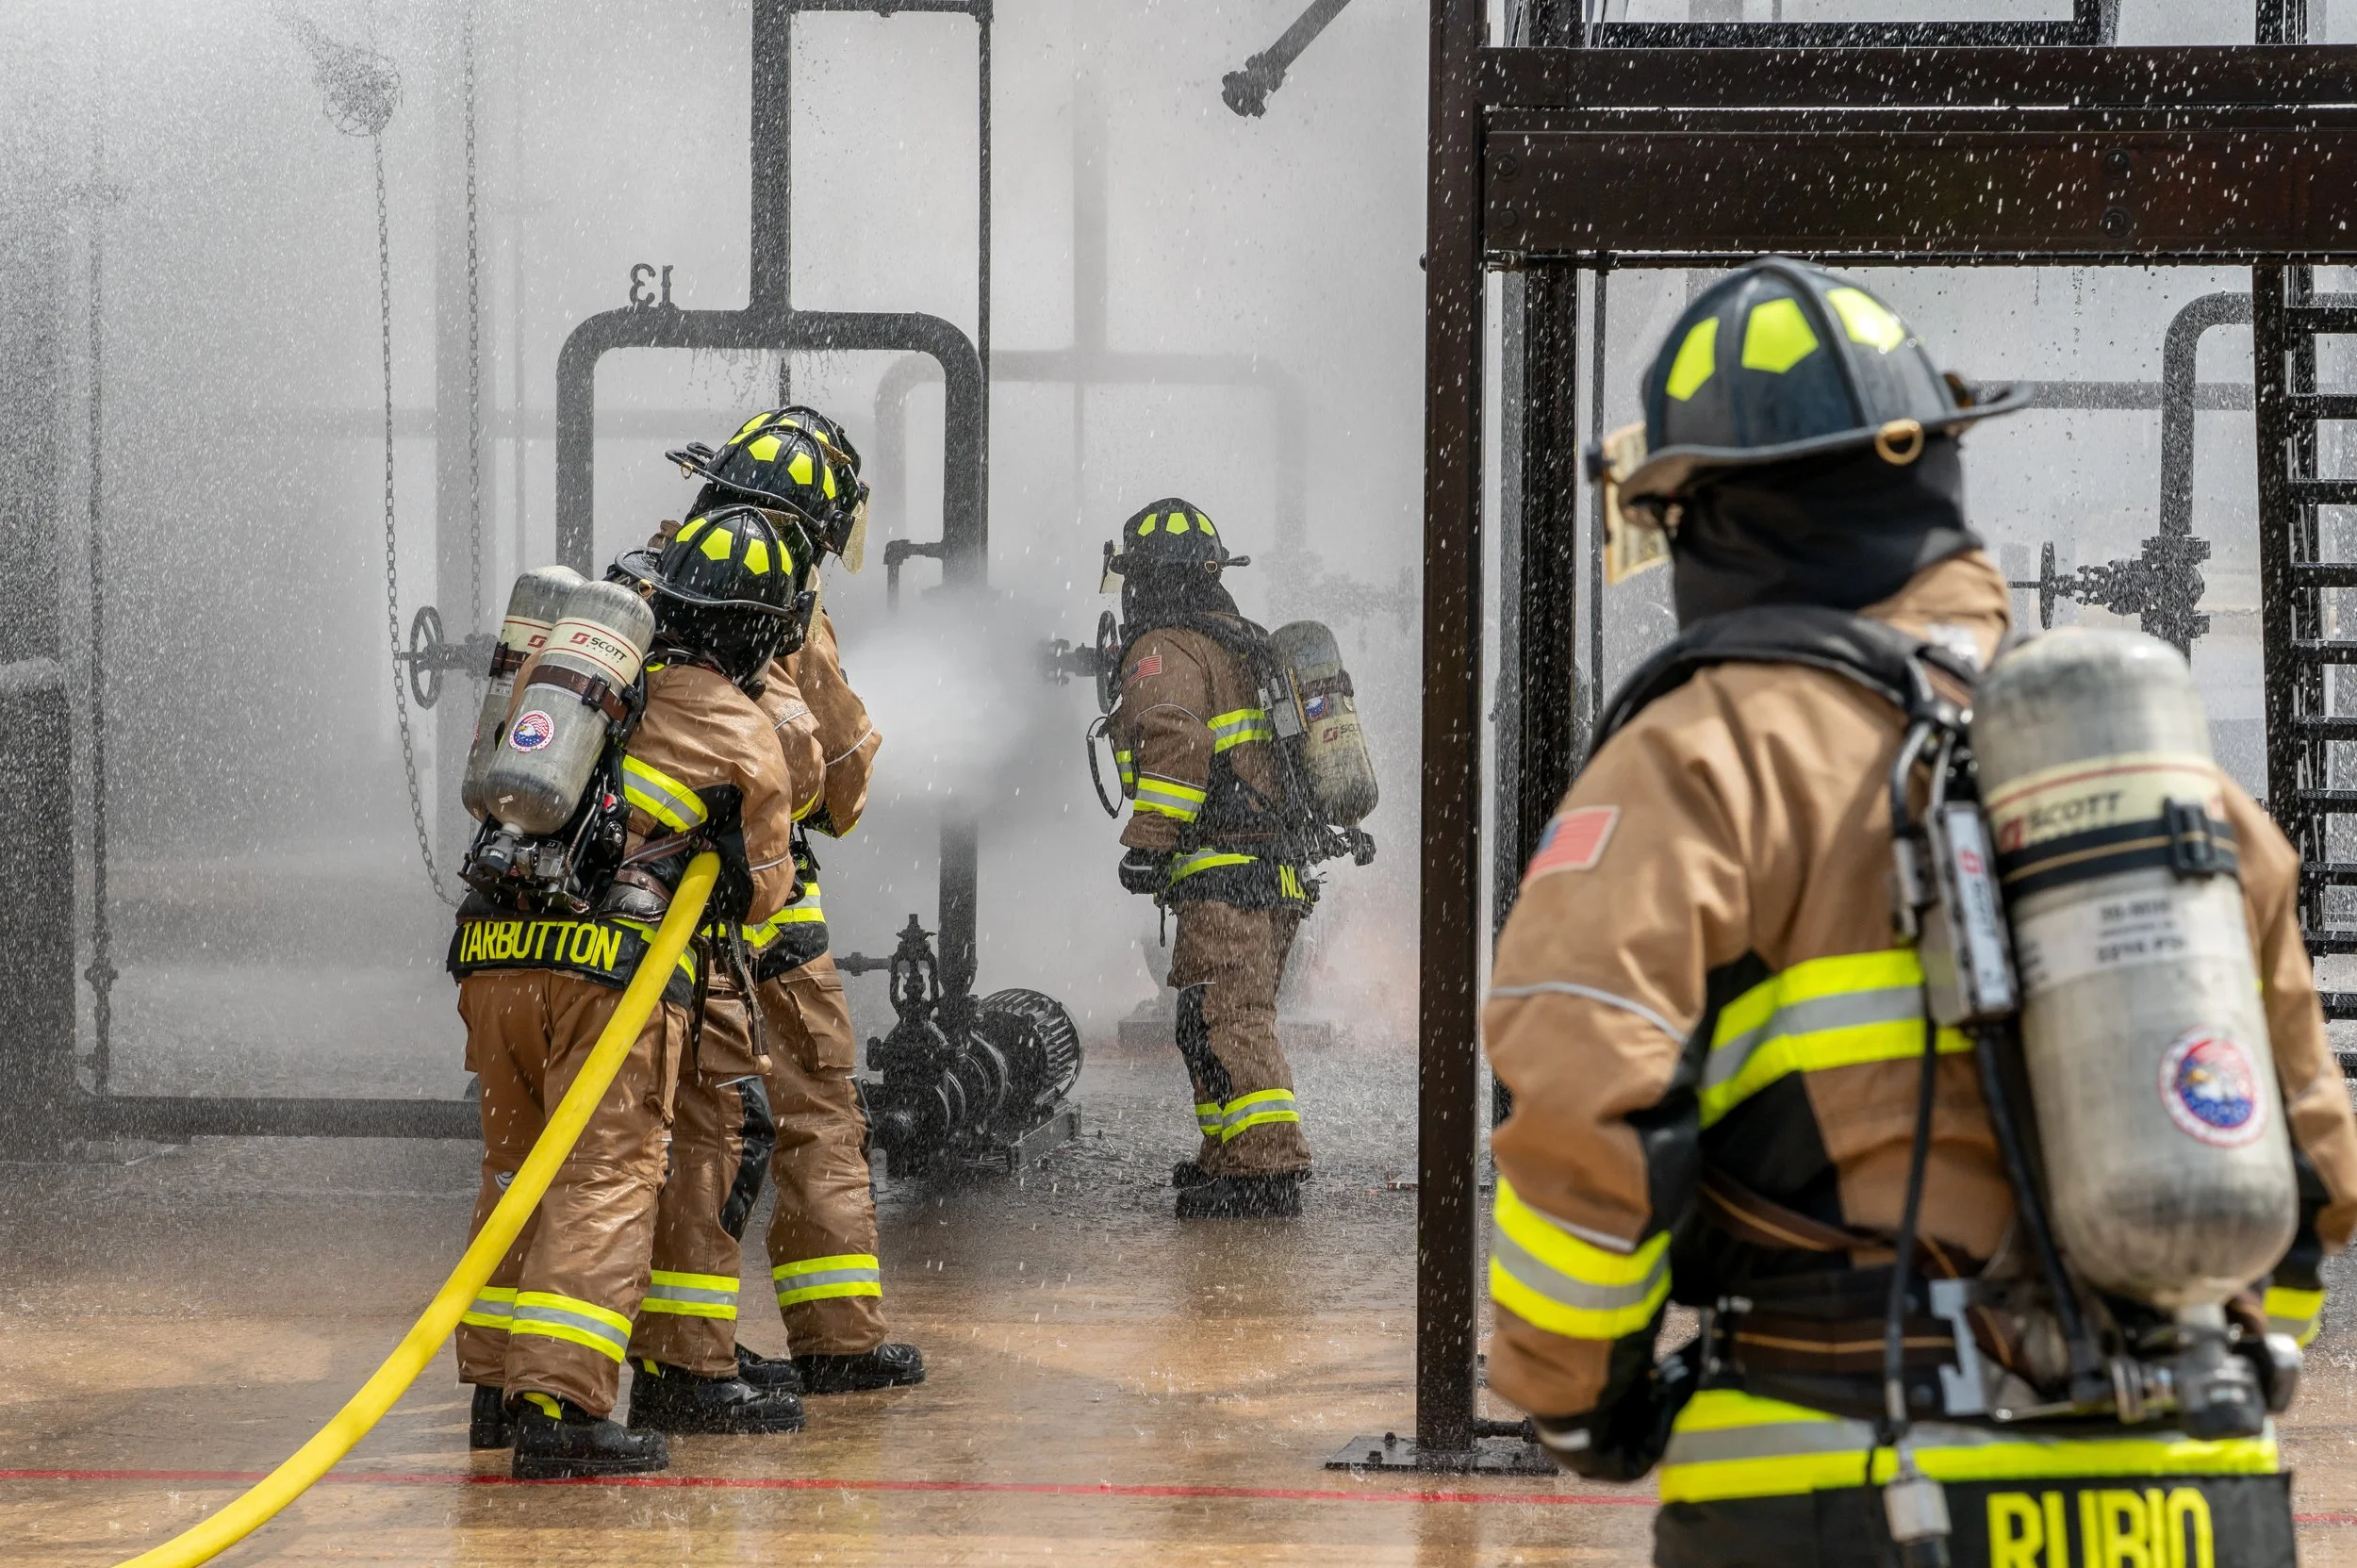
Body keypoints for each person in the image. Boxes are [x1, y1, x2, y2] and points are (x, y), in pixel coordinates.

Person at [1482, 256, 2357, 1566]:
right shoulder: (2146, 766)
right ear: (1936, 473)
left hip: (1857, 1483)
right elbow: (2308, 1158)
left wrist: (1574, 1396)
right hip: (2200, 1489)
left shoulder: (1699, 757)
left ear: (1705, 512)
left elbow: (1582, 1098)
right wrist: (2248, 1345)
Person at [449, 505, 812, 1477]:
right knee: (604, 1173)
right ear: (766, 628)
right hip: (608, 979)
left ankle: (494, 1386)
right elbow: (767, 887)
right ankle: (556, 1404)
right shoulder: (740, 723)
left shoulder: (590, 680)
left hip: (491, 953)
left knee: (514, 1163)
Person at [651, 407, 926, 1396]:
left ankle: (673, 1349)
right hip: (764, 904)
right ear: (815, 522)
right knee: (812, 1109)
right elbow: (840, 786)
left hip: (645, 910)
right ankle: (834, 1341)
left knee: (688, 1122)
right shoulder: (784, 608)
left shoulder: (649, 577)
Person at [1102, 499, 1315, 1219]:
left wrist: (1149, 840)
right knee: (1209, 1018)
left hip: (1228, 872)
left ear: (1148, 580)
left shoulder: (1165, 647)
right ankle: (1229, 1154)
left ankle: (1264, 1166)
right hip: (1269, 869)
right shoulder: (1236, 641)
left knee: (1227, 1016)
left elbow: (1176, 742)